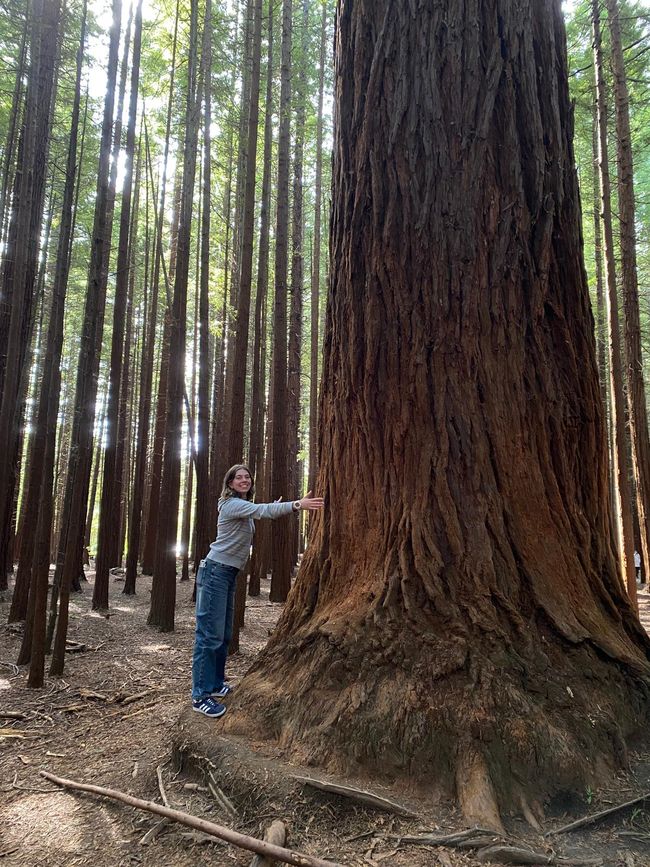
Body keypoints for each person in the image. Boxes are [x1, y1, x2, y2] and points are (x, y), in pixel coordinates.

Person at [191, 463, 324, 718]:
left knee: (223, 634)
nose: (244, 480)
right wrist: (296, 505)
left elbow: (259, 511)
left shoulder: (242, 507)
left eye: (247, 477)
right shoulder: (230, 505)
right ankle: (200, 695)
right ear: (229, 484)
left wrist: (275, 507)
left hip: (227, 574)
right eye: (238, 477)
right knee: (209, 636)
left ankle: (215, 685)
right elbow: (261, 511)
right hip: (215, 572)